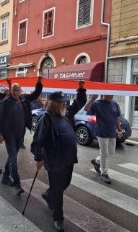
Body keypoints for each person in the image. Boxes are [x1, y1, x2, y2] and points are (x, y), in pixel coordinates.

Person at [31, 89, 85, 232]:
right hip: (55, 159)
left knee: (65, 183)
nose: (64, 105)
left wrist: (82, 90)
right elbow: (38, 139)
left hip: (68, 158)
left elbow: (79, 103)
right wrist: (38, 157)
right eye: (61, 103)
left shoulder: (65, 115)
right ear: (53, 103)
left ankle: (49, 195)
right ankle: (58, 218)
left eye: (65, 103)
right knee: (58, 190)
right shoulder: (46, 118)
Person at [0, 76, 43, 195]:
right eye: (14, 90)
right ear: (11, 91)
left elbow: (35, 94)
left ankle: (5, 177)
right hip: (9, 134)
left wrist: (39, 83)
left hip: (20, 134)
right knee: (13, 158)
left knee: (12, 157)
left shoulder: (23, 99)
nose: (16, 92)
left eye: (18, 90)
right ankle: (17, 184)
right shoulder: (4, 103)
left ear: (21, 91)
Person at [84, 94, 123, 184]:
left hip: (112, 132)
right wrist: (93, 98)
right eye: (106, 93)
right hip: (101, 132)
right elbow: (86, 109)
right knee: (104, 153)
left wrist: (119, 130)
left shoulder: (115, 104)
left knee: (111, 152)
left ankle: (97, 161)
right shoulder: (97, 103)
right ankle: (104, 173)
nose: (108, 95)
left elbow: (117, 118)